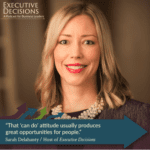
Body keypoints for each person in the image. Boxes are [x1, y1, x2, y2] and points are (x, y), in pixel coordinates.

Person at [9, 1, 150, 149]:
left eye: (88, 42)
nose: (75, 54)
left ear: (102, 51)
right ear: (52, 51)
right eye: (64, 41)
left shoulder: (139, 118)